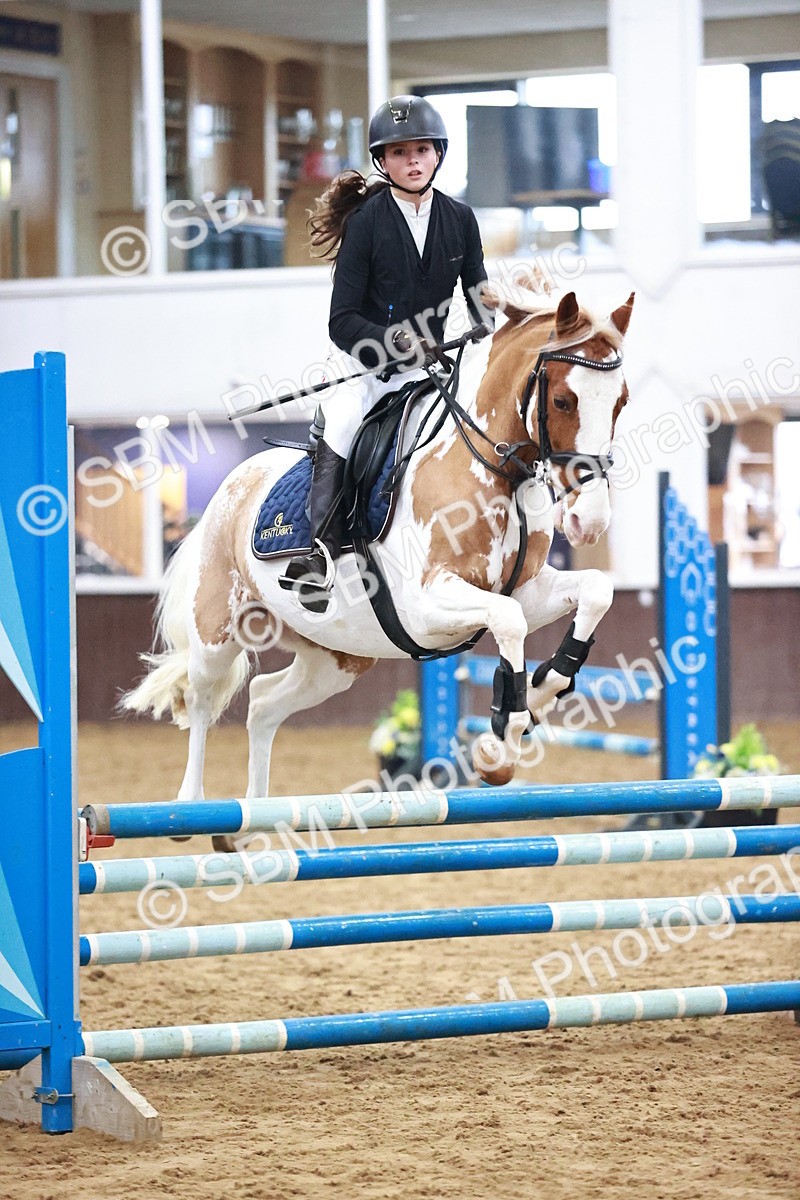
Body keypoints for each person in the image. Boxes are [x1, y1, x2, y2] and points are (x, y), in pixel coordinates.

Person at [279, 94, 491, 613]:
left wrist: (488, 319)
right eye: (398, 153)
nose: (412, 161)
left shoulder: (461, 219)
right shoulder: (368, 223)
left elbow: (478, 290)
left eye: (421, 149)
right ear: (382, 161)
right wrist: (394, 342)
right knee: (344, 423)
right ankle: (318, 552)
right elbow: (341, 320)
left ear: (438, 154)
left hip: (435, 369)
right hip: (366, 368)